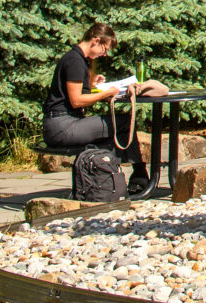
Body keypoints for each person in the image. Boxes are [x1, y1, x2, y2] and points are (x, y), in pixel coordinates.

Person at [42, 23, 169, 193]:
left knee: (121, 125)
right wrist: (106, 93)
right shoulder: (75, 61)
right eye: (105, 48)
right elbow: (76, 101)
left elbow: (71, 91)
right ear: (95, 41)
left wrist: (92, 84)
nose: (105, 53)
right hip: (62, 126)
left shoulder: (78, 59)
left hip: (63, 123)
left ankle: (134, 177)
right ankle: (139, 176)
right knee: (123, 122)